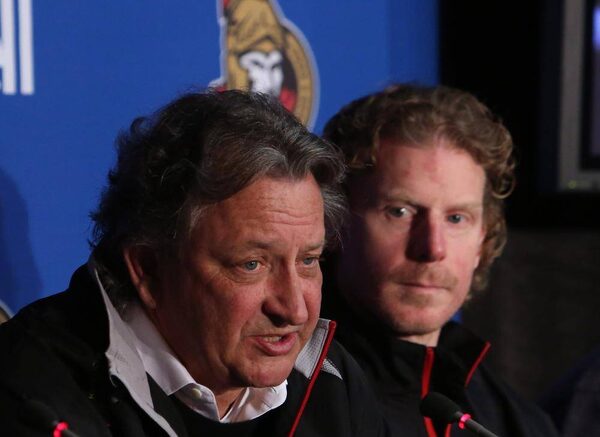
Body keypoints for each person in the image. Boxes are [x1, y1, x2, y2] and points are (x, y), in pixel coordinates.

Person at [0, 89, 386, 436]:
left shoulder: (331, 381)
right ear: (149, 270)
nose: (294, 310)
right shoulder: (32, 392)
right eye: (252, 264)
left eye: (308, 260)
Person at [321, 84, 558, 436]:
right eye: (399, 211)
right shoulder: (279, 397)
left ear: (483, 239)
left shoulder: (519, 423)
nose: (433, 248)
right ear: (334, 220)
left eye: (456, 218)